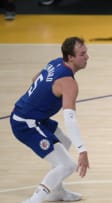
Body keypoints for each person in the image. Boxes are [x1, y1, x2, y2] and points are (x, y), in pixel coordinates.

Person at [9, 36, 90, 203]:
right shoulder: (68, 83)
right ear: (70, 58)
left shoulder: (55, 63)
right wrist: (82, 150)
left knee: (64, 142)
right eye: (82, 54)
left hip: (35, 117)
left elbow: (35, 79)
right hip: (26, 124)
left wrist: (29, 103)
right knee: (67, 165)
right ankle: (35, 200)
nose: (87, 57)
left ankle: (57, 192)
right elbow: (70, 120)